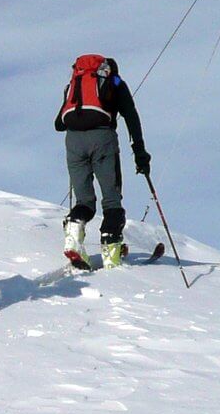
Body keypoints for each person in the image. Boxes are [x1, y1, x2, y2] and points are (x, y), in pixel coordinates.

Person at [55, 54, 149, 268]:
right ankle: (111, 252)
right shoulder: (115, 82)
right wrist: (140, 152)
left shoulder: (73, 84)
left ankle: (74, 228)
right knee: (112, 200)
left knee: (85, 202)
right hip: (103, 139)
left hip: (73, 141)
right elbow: (131, 116)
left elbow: (58, 124)